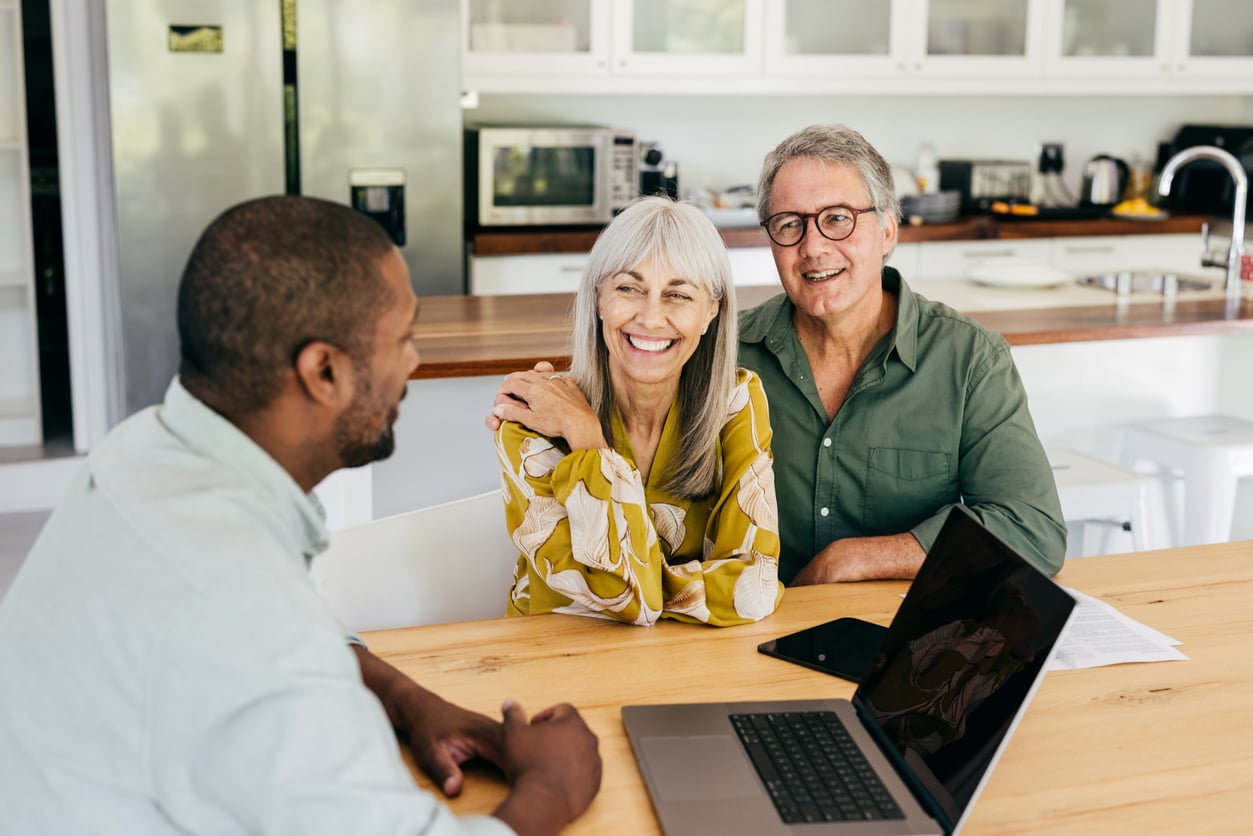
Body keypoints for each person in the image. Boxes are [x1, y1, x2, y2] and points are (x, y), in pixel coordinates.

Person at [0, 196, 600, 835]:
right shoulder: (240, 611)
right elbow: (259, 633)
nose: (414, 361)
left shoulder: (145, 452)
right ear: (323, 370)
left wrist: (410, 700)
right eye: (402, 337)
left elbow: (284, 629)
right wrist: (550, 788)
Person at [739, 124, 1066, 586]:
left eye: (837, 218)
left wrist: (852, 559)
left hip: (909, 637)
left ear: (888, 229)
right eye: (789, 224)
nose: (812, 247)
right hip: (752, 637)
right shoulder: (725, 354)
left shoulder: (969, 358)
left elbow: (1032, 529)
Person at [488, 196, 782, 627]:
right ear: (598, 298)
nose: (650, 317)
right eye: (629, 288)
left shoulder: (735, 401)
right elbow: (623, 597)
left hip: (687, 667)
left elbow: (754, 587)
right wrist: (584, 433)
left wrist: (649, 584)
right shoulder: (532, 419)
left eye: (678, 295)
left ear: (711, 312)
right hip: (552, 664)